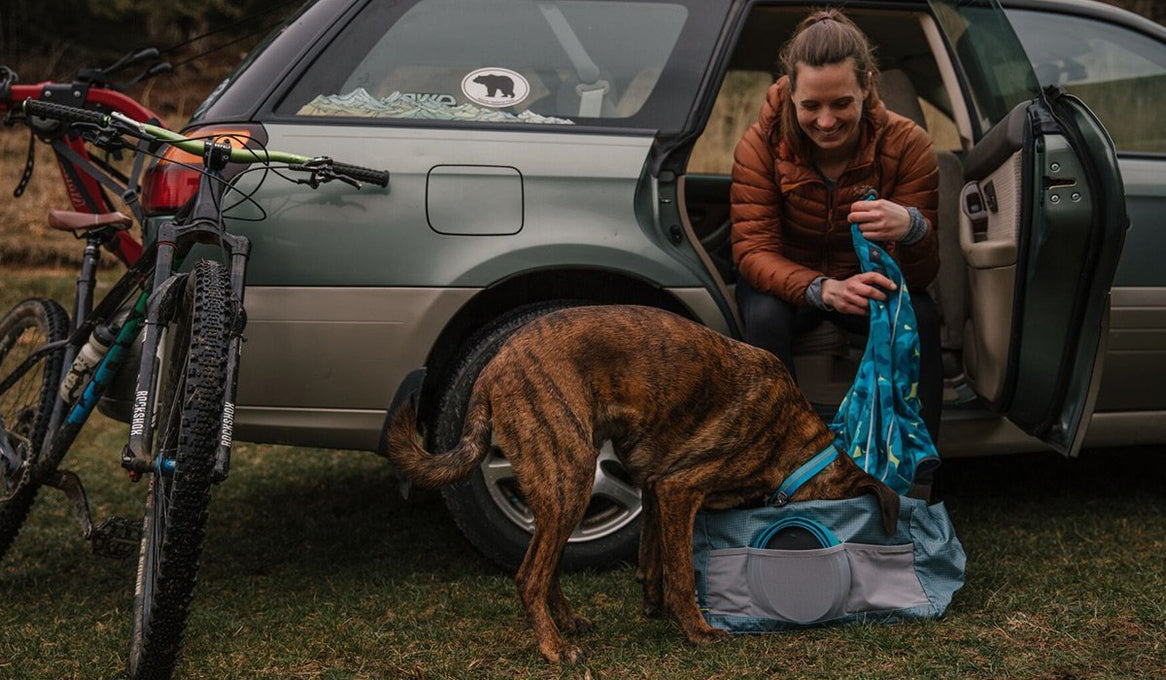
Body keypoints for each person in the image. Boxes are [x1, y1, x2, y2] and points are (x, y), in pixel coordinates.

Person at [730, 9, 943, 493]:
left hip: (867, 283)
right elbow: (752, 251)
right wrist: (822, 289)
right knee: (764, 316)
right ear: (791, 92)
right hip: (789, 283)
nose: (826, 122)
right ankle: (780, 466)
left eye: (841, 103)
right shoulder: (760, 144)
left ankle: (917, 480)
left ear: (866, 86)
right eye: (811, 106)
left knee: (922, 318)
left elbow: (922, 274)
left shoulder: (908, 144)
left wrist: (912, 228)